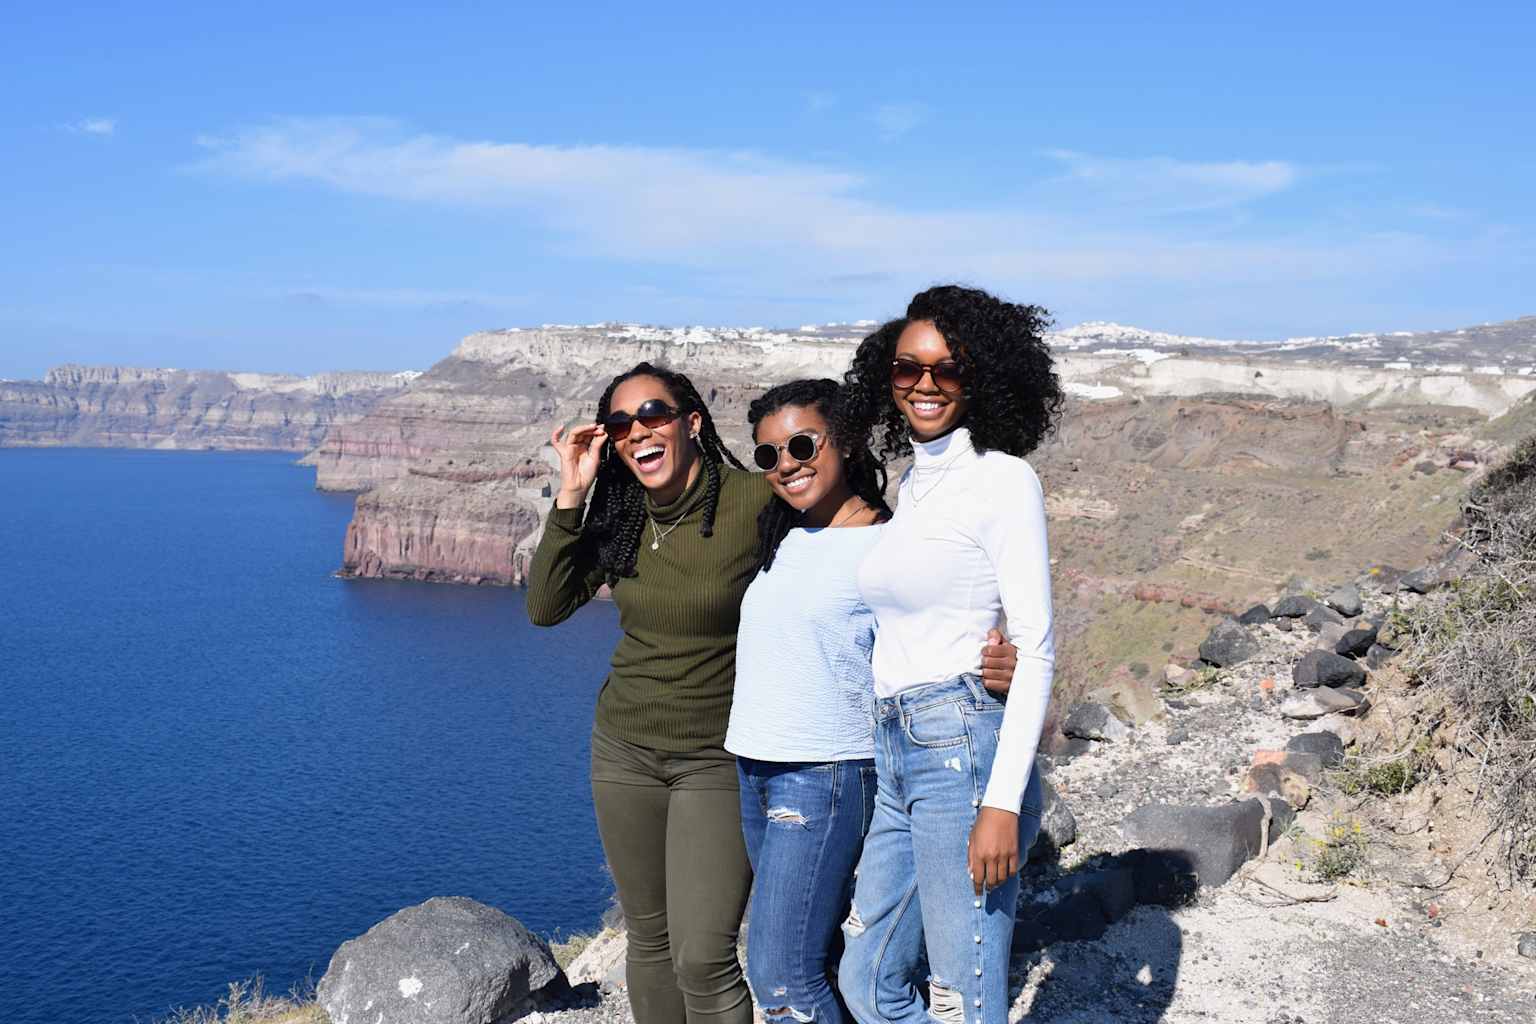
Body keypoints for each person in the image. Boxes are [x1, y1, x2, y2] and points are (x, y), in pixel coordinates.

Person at [835, 286, 1064, 1024]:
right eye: (908, 369)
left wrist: (1000, 803)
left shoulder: (1002, 478)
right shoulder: (913, 483)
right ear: (886, 375)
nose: (925, 385)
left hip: (960, 751)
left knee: (963, 995)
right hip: (897, 746)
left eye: (948, 369)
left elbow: (1036, 647)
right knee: (867, 980)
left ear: (982, 377)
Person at [526, 362, 769, 1024]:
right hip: (623, 751)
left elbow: (845, 556)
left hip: (715, 759)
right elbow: (545, 606)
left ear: (691, 424)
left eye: (654, 415)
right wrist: (572, 492)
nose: (639, 431)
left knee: (703, 954)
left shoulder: (753, 502)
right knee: (651, 938)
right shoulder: (621, 516)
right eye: (621, 424)